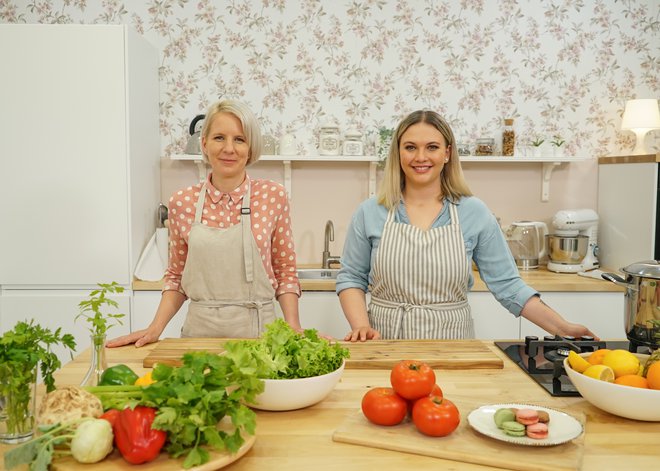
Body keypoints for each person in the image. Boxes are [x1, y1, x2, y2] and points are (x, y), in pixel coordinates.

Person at [336, 109, 598, 342]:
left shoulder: (473, 212)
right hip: (385, 341)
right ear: (398, 153)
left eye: (432, 147)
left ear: (447, 153)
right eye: (410, 147)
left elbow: (508, 286)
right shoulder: (371, 211)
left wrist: (561, 327)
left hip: (452, 345)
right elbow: (351, 277)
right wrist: (361, 325)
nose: (421, 157)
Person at [108, 99, 301, 348]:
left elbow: (285, 270)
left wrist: (294, 326)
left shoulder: (273, 196)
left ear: (250, 148)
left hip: (260, 338)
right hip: (199, 337)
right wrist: (155, 328)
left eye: (239, 139)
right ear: (204, 143)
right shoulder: (182, 202)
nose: (229, 148)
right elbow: (177, 277)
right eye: (219, 137)